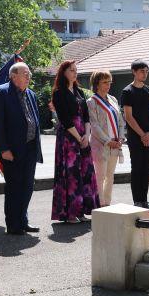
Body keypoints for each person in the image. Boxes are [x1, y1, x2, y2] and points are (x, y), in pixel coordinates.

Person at [0, 62, 42, 235]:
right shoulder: (1, 92)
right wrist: (4, 149)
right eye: (25, 73)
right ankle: (13, 224)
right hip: (11, 150)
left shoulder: (31, 94)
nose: (29, 76)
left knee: (27, 186)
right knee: (14, 187)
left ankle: (23, 220)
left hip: (30, 148)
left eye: (29, 73)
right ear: (13, 76)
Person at [50, 61, 100, 222]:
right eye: (71, 70)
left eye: (76, 70)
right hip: (69, 137)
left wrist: (86, 134)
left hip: (83, 136)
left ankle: (81, 211)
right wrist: (79, 138)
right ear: (63, 72)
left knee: (84, 172)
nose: (75, 73)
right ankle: (69, 213)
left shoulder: (78, 91)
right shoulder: (59, 93)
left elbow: (86, 116)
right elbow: (64, 119)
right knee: (70, 174)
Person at [86, 69, 125, 207]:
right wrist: (108, 141)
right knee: (99, 176)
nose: (108, 85)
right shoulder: (91, 102)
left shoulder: (113, 99)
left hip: (115, 144)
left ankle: (107, 204)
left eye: (109, 82)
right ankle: (99, 204)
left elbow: (121, 121)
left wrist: (120, 138)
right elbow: (94, 125)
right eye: (104, 82)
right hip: (101, 145)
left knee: (110, 176)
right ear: (96, 84)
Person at [121, 60, 149, 207]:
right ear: (134, 72)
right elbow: (128, 117)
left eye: (146, 71)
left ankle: (144, 199)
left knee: (146, 168)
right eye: (142, 71)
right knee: (137, 168)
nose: (145, 74)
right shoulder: (127, 91)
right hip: (136, 137)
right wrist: (142, 134)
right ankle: (137, 200)